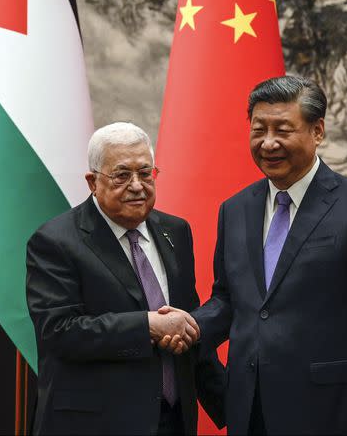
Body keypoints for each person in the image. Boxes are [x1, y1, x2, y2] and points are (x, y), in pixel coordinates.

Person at [188, 75, 347, 435]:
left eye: (283, 129)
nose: (269, 142)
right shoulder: (235, 209)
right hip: (250, 409)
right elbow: (230, 300)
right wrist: (187, 327)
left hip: (331, 411)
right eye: (259, 129)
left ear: (317, 131)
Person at [26, 122, 225, 436]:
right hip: (96, 422)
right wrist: (147, 325)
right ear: (93, 182)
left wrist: (231, 405)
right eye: (121, 175)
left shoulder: (175, 231)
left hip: (172, 420)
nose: (137, 185)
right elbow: (59, 332)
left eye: (146, 173)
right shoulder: (56, 241)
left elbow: (184, 326)